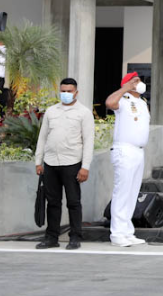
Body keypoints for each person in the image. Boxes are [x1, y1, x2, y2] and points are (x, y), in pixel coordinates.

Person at [33, 78, 95, 250]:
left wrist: (85, 167)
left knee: (73, 202)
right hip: (51, 162)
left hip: (72, 162)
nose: (65, 94)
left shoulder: (84, 113)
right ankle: (51, 237)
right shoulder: (51, 111)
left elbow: (88, 141)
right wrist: (39, 161)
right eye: (63, 91)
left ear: (76, 92)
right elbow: (42, 137)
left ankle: (75, 237)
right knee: (52, 202)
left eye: (69, 91)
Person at [105, 72, 150, 247]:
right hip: (125, 149)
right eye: (135, 81)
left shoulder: (142, 102)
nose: (139, 83)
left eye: (139, 80)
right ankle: (116, 234)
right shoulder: (122, 100)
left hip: (139, 151)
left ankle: (127, 231)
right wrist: (125, 87)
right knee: (122, 192)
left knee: (132, 194)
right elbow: (109, 103)